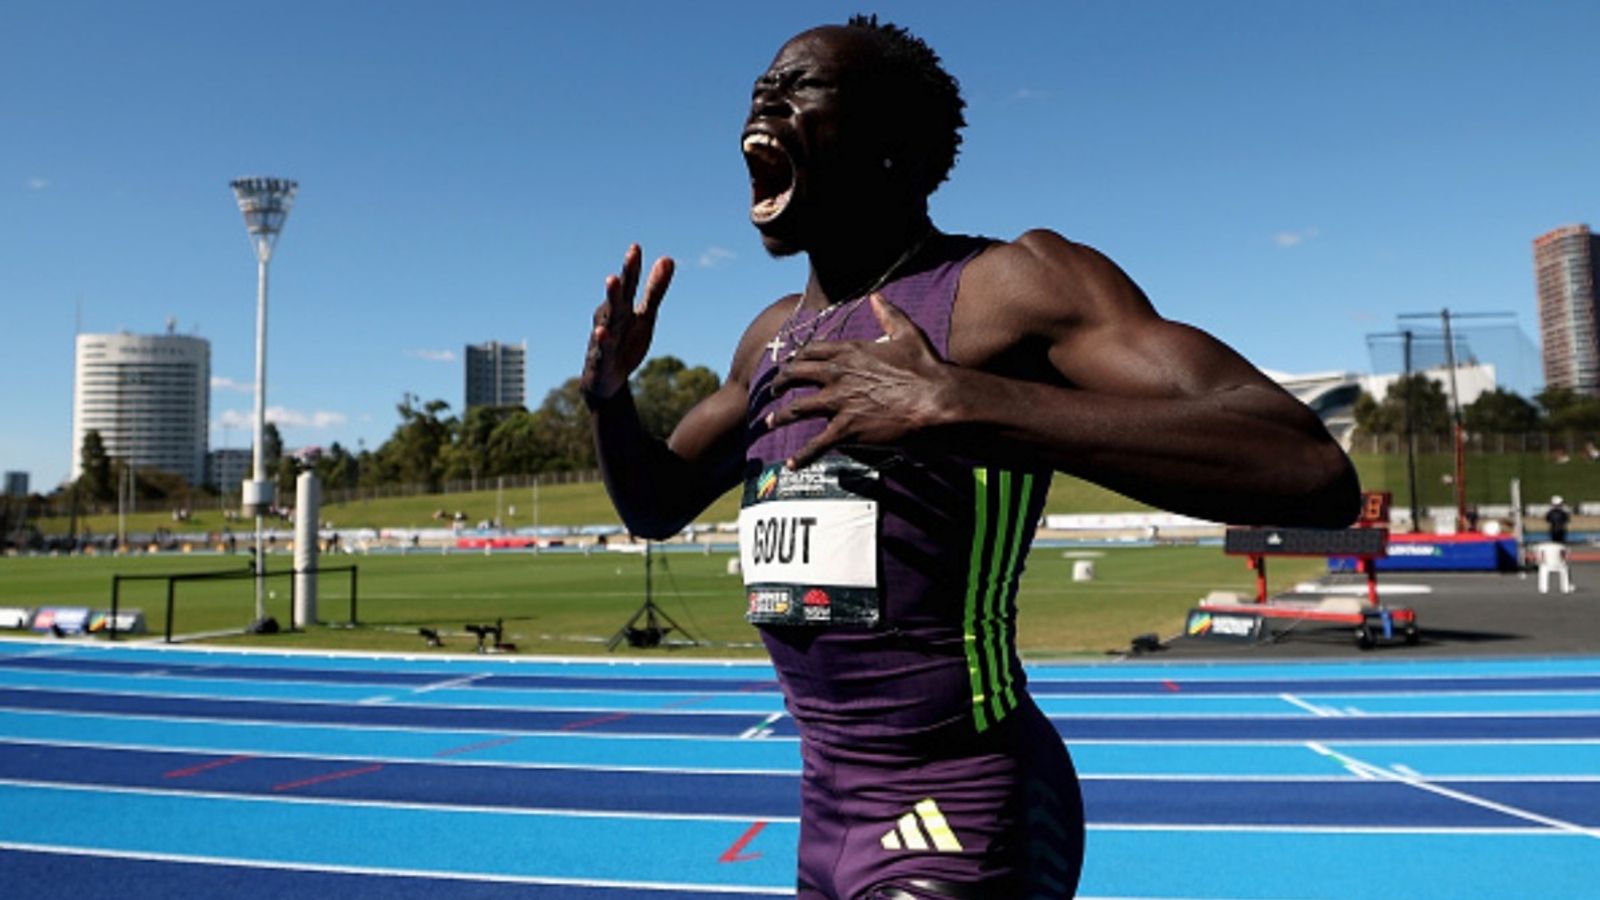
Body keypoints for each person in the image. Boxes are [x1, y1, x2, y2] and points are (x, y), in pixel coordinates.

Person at [581, 16, 1358, 899]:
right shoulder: (769, 339)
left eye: (801, 83)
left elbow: (1307, 467)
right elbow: (656, 504)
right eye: (761, 84)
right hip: (825, 807)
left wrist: (967, 404)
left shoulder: (1011, 285)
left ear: (889, 142)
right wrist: (609, 399)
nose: (766, 96)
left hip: (964, 799)